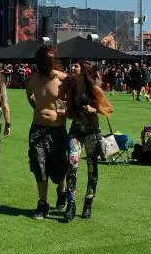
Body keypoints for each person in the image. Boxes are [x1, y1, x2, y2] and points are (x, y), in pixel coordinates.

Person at [25, 46, 70, 220]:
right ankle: (42, 203)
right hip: (37, 128)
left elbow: (66, 103)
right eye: (45, 61)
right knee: (39, 166)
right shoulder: (32, 78)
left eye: (50, 61)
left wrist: (60, 111)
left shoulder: (62, 80)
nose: (48, 64)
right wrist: (36, 108)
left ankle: (62, 189)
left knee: (59, 169)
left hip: (57, 130)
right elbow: (29, 95)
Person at [66, 61, 114, 220]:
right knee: (72, 164)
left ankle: (88, 202)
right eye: (72, 66)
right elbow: (70, 113)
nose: (73, 68)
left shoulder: (94, 89)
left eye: (76, 66)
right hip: (75, 131)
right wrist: (66, 112)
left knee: (92, 169)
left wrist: (94, 109)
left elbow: (109, 108)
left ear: (83, 70)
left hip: (91, 132)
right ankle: (71, 204)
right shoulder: (72, 89)